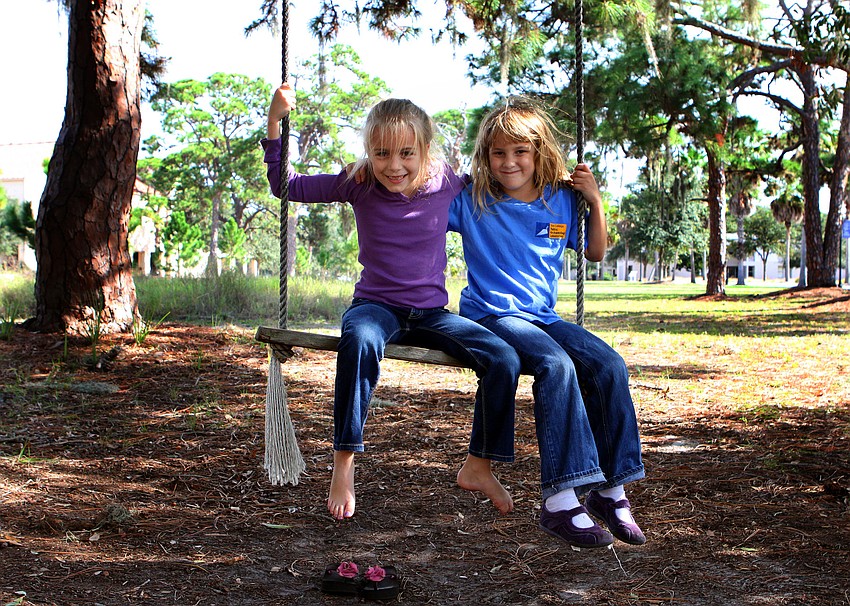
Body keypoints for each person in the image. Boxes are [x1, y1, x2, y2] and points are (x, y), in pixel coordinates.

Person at [262, 83, 522, 521]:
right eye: (381, 153)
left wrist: (566, 188)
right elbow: (284, 185)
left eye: (406, 153)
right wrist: (275, 122)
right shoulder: (359, 184)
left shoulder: (446, 183)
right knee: (360, 341)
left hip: (432, 314)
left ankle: (480, 464)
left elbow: (506, 183)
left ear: (425, 150)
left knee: (503, 356)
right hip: (376, 306)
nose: (394, 165)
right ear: (368, 152)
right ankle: (343, 463)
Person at [448, 97, 646, 548]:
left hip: (543, 316)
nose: (509, 161)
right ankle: (559, 499)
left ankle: (609, 490)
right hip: (493, 314)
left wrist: (595, 201)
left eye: (520, 151)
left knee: (608, 364)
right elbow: (417, 212)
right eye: (498, 153)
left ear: (538, 152)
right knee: (555, 365)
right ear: (485, 156)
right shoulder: (473, 199)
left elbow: (595, 252)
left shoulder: (561, 200)